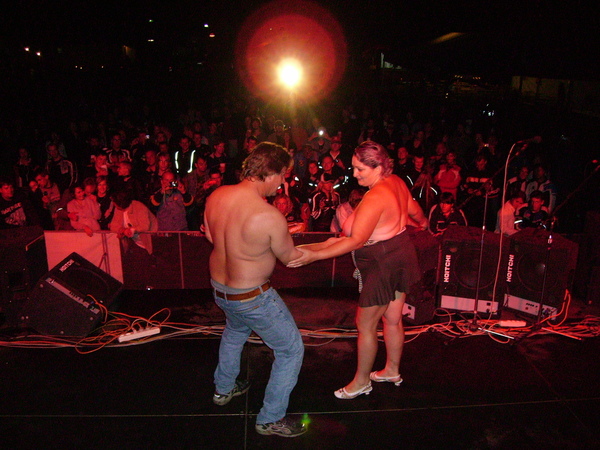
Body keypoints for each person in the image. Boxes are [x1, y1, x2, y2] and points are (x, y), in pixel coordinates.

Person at [288, 141, 428, 399]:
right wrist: (422, 223)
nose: (354, 174)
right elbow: (416, 212)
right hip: (400, 251)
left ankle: (362, 382)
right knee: (392, 318)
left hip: (383, 262)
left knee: (365, 324)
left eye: (360, 169)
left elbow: (355, 241)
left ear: (378, 167)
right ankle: (392, 370)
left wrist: (313, 256)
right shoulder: (395, 181)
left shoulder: (375, 197)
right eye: (353, 168)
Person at [203, 142, 306, 437]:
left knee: (235, 331)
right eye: (283, 175)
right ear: (270, 173)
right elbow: (291, 258)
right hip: (252, 297)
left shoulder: (216, 196)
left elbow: (212, 236)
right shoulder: (268, 215)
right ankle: (270, 418)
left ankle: (223, 389)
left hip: (221, 290)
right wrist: (330, 247)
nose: (283, 183)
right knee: (290, 349)